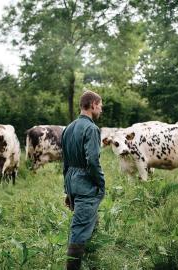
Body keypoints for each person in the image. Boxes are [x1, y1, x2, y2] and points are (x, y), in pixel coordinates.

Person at [62, 90, 105, 270]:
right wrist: (100, 183)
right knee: (79, 230)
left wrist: (67, 189)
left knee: (91, 220)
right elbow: (93, 161)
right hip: (85, 184)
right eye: (100, 105)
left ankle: (92, 261)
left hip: (72, 183)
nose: (101, 109)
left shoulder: (68, 128)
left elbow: (65, 163)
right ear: (93, 104)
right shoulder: (91, 129)